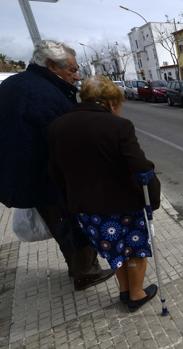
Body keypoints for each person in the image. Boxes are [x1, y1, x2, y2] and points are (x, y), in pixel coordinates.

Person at [0, 40, 114, 290]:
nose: (76, 75)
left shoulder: (12, 85)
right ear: (51, 65)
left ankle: (80, 268)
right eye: (72, 70)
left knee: (62, 224)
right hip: (47, 175)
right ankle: (85, 272)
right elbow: (66, 141)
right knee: (72, 225)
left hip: (24, 173)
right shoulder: (44, 94)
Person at [48, 76, 161, 311]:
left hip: (87, 210)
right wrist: (154, 198)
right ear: (110, 103)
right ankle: (137, 294)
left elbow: (56, 171)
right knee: (134, 250)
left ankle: (123, 292)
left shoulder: (57, 126)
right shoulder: (119, 126)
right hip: (123, 205)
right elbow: (140, 168)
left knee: (115, 251)